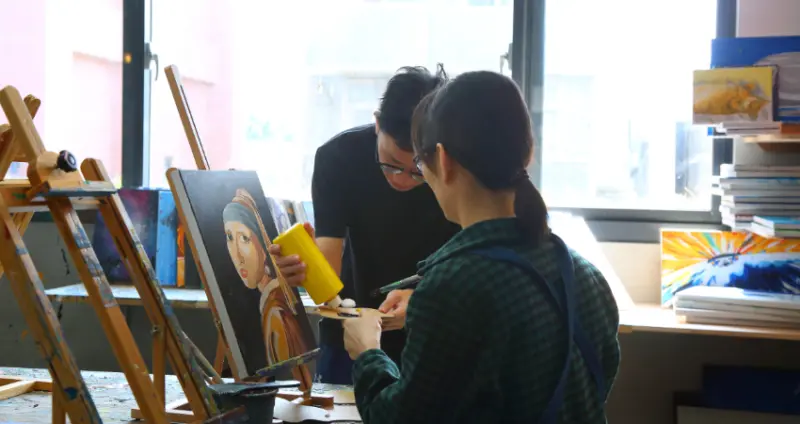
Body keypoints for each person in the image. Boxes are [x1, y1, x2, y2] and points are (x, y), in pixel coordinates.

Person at [342, 71, 621, 423]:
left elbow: (398, 418)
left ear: (443, 160)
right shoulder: (586, 276)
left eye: (419, 165)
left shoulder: (452, 287)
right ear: (527, 153)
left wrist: (367, 353)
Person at [268, 65, 461, 384]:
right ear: (377, 124)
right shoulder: (338, 157)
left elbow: (469, 265)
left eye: (417, 171)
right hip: (350, 331)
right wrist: (304, 269)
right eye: (391, 164)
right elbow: (328, 265)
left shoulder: (454, 168)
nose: (402, 179)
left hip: (431, 331)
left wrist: (422, 302)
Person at [222, 188, 309, 366]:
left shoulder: (276, 313)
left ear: (263, 247)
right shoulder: (272, 300)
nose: (237, 255)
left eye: (244, 239)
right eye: (230, 237)